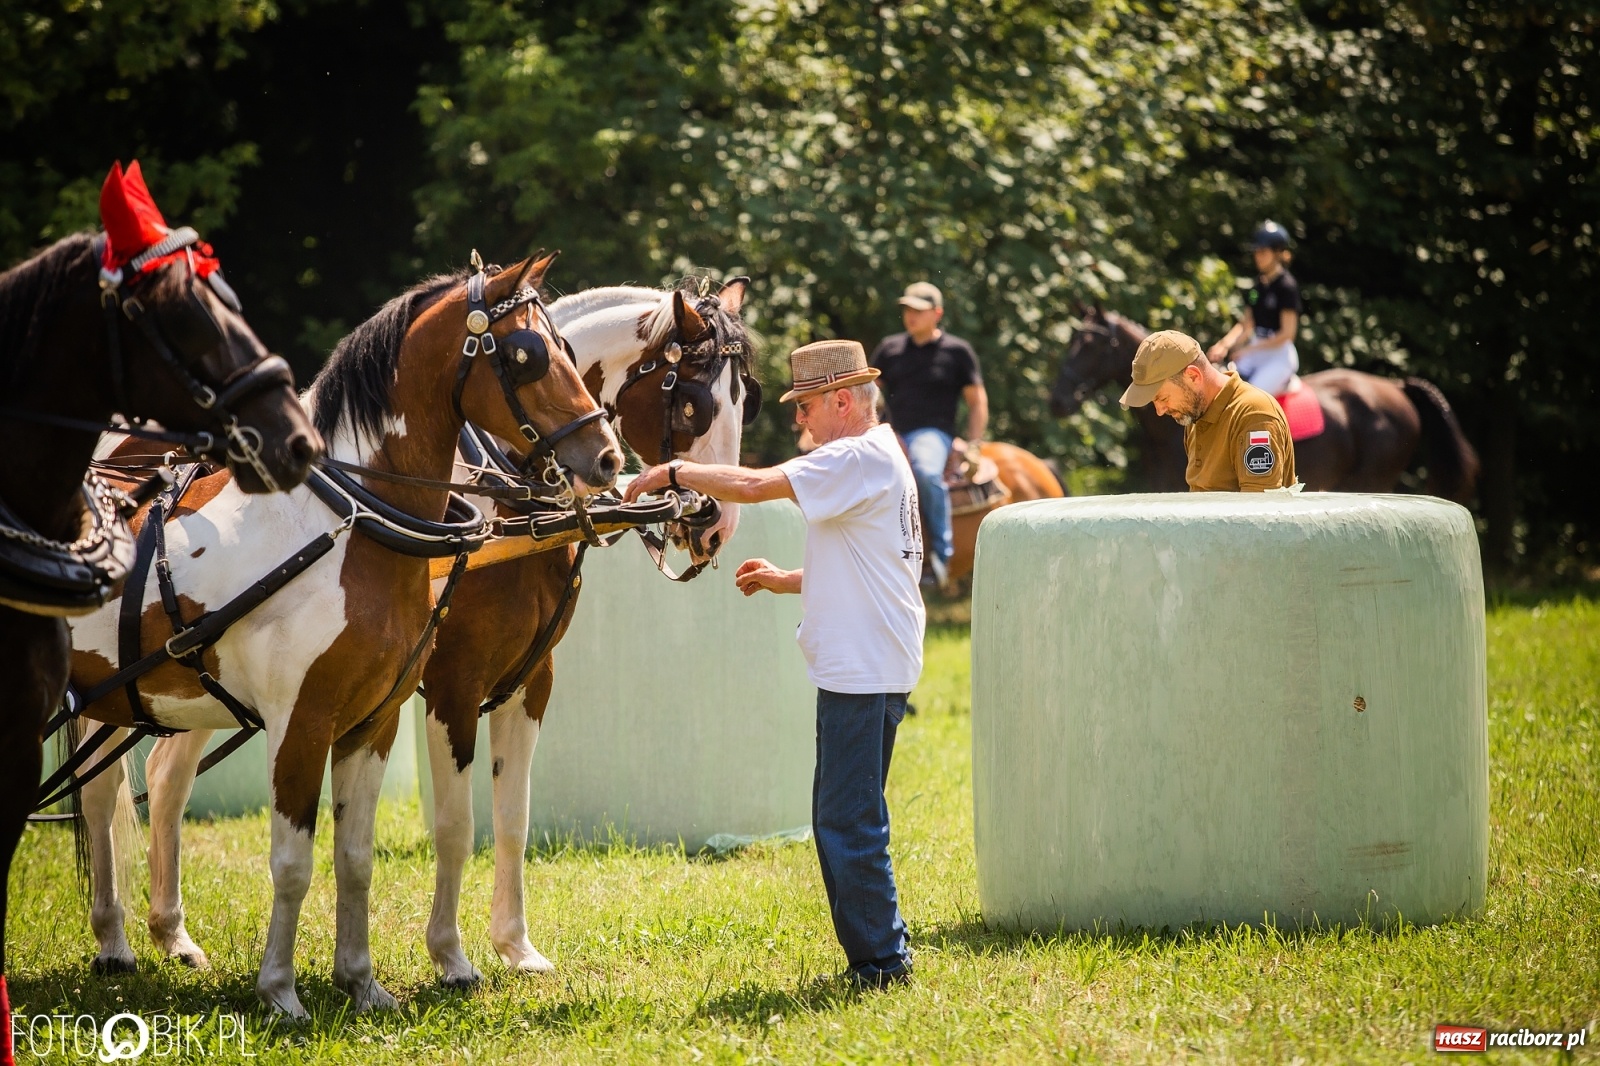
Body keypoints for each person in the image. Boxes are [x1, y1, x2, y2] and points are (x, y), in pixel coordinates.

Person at [623, 338, 924, 990]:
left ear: (842, 400)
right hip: (874, 663)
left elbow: (756, 485)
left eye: (806, 406)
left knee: (848, 821)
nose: (799, 421)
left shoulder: (853, 454)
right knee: (847, 816)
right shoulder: (878, 457)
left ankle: (883, 965)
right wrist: (788, 579)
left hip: (863, 669)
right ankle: (879, 957)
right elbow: (874, 559)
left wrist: (676, 472)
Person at [870, 281, 988, 590]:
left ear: (937, 313)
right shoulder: (889, 348)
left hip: (933, 433)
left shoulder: (957, 351)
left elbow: (976, 402)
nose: (911, 316)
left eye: (919, 311)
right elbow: (870, 396)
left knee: (924, 471)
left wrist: (973, 445)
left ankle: (941, 555)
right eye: (907, 309)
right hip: (889, 432)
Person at [1120, 329, 1297, 492]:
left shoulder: (1253, 415)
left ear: (1193, 376)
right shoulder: (1194, 414)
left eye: (1163, 398)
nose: (1159, 411)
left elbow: (1259, 518)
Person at [1207, 221, 1302, 397]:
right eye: (1256, 252)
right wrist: (1224, 345)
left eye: (1263, 252)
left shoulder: (1286, 286)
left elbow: (1287, 334)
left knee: (1248, 399)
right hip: (1256, 350)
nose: (1258, 256)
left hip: (1278, 356)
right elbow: (1247, 324)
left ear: (1278, 253)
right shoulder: (1257, 286)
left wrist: (1247, 350)